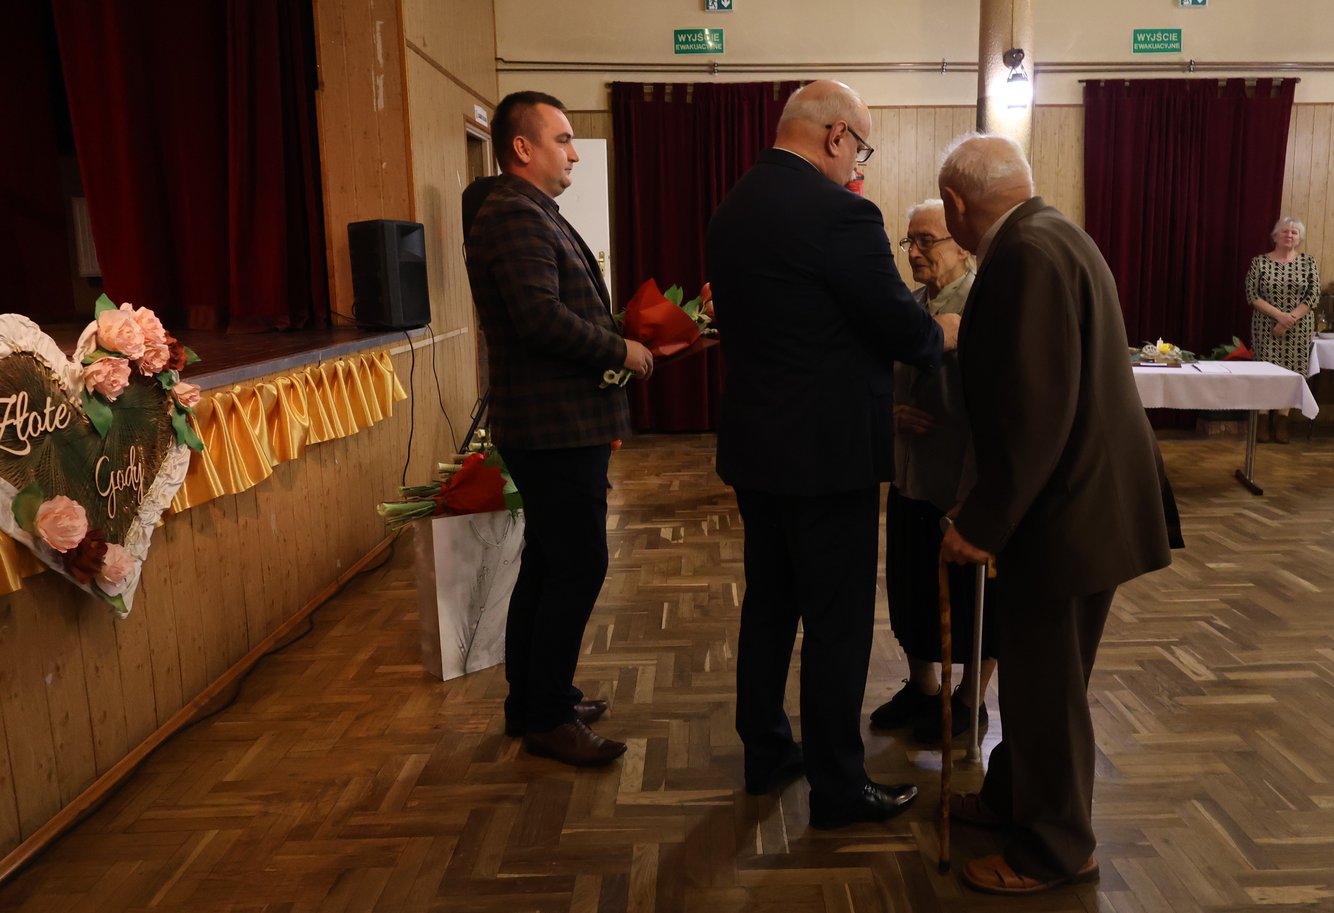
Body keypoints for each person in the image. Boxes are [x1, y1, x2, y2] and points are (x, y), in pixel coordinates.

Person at [706, 80, 960, 829]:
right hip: (827, 454)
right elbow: (898, 326)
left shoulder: (732, 206)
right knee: (837, 623)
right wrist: (940, 334)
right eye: (861, 149)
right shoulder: (841, 213)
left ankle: (766, 753)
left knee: (769, 604)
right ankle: (839, 788)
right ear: (836, 135)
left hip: (756, 447)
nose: (858, 164)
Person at [936, 133, 1173, 894]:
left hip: (1066, 512)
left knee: (1047, 689)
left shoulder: (1025, 255)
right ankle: (1014, 799)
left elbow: (1034, 411)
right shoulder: (1055, 232)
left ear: (955, 204)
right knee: (1040, 677)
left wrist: (983, 522)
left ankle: (1057, 850)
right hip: (1085, 502)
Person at [464, 91, 655, 767]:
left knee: (547, 563)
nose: (574, 153)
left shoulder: (528, 210)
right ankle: (547, 717)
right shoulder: (514, 214)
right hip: (552, 428)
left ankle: (534, 701)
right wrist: (620, 349)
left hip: (555, 424)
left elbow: (560, 310)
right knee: (578, 564)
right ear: (522, 147)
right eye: (563, 138)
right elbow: (540, 319)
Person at [869, 199, 997, 745]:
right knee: (911, 588)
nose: (915, 252)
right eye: (910, 242)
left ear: (963, 246)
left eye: (927, 241)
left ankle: (969, 700)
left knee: (974, 600)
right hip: (910, 476)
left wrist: (979, 494)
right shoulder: (911, 305)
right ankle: (923, 689)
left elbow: (997, 408)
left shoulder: (986, 306)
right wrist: (887, 413)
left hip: (961, 482)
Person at [1246, 217, 1320, 443]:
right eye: (1285, 231)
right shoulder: (1259, 262)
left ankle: (1282, 421)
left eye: (1294, 232)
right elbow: (1252, 294)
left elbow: (1313, 295)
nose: (1289, 235)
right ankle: (1262, 419)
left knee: (1292, 373)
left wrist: (1289, 319)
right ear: (1275, 236)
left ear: (1299, 238)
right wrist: (1279, 316)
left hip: (1299, 328)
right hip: (1266, 326)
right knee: (1265, 373)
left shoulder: (1308, 262)